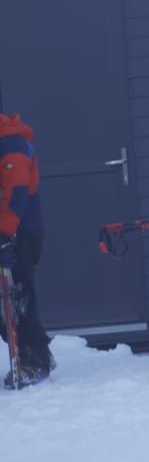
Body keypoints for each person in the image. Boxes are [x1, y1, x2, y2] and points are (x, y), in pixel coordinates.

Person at [0, 113, 52, 387]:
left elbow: (16, 192)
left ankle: (34, 360)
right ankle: (32, 355)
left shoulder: (11, 143)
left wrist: (4, 232)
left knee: (17, 298)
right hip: (10, 230)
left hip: (18, 232)